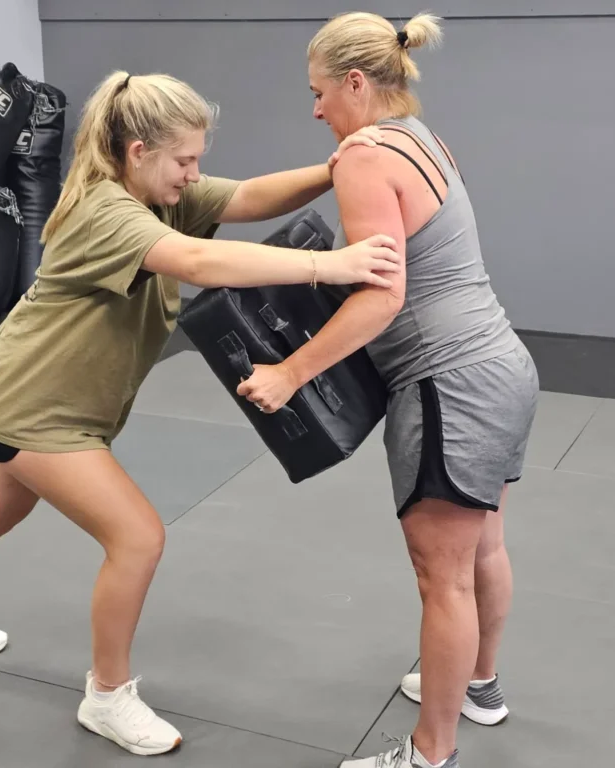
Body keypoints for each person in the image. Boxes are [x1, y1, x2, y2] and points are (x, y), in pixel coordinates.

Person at [0, 69, 402, 757]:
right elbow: (198, 263)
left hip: (33, 393)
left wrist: (339, 166)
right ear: (138, 152)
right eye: (185, 160)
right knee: (137, 538)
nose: (195, 175)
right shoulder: (105, 210)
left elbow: (250, 196)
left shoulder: (164, 195)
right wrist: (329, 267)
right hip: (34, 407)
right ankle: (107, 697)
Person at [237, 11, 539, 768]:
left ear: (355, 81)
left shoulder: (365, 157)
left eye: (317, 94)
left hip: (449, 384)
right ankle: (480, 686)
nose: (314, 111)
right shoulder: (421, 138)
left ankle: (430, 754)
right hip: (502, 364)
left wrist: (288, 371)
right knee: (482, 550)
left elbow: (382, 295)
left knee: (441, 578)